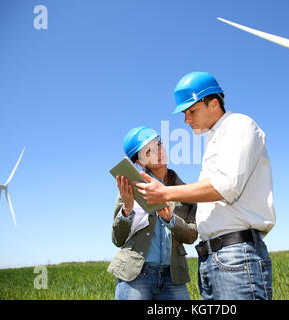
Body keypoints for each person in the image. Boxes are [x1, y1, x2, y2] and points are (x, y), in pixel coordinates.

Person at [135, 71, 276, 300]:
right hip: (211, 259)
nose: (186, 120)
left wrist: (165, 192)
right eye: (184, 113)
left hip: (236, 256)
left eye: (191, 111)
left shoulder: (239, 125)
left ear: (213, 103)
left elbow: (226, 187)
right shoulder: (214, 139)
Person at [107, 126, 198, 300]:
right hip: (136, 275)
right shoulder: (130, 189)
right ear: (139, 162)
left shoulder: (185, 190)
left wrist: (170, 219)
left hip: (173, 276)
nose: (158, 152)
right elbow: (117, 239)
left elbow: (192, 235)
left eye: (158, 144)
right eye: (148, 151)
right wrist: (127, 208)